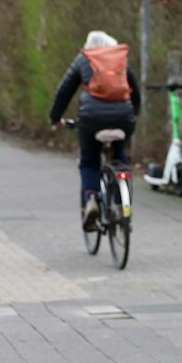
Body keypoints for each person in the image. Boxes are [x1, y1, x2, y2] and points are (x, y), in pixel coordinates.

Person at [48, 31, 142, 231]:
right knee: (119, 155)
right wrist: (133, 116)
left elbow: (64, 90)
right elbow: (135, 91)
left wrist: (55, 117)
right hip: (123, 117)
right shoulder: (120, 60)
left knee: (89, 161)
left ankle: (90, 199)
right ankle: (120, 204)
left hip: (91, 120)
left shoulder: (84, 59)